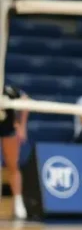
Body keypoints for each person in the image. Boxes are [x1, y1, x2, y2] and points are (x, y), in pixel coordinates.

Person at [1, 84, 29, 220]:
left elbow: (26, 100)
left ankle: (18, 201)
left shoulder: (8, 90)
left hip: (8, 130)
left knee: (12, 165)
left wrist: (22, 126)